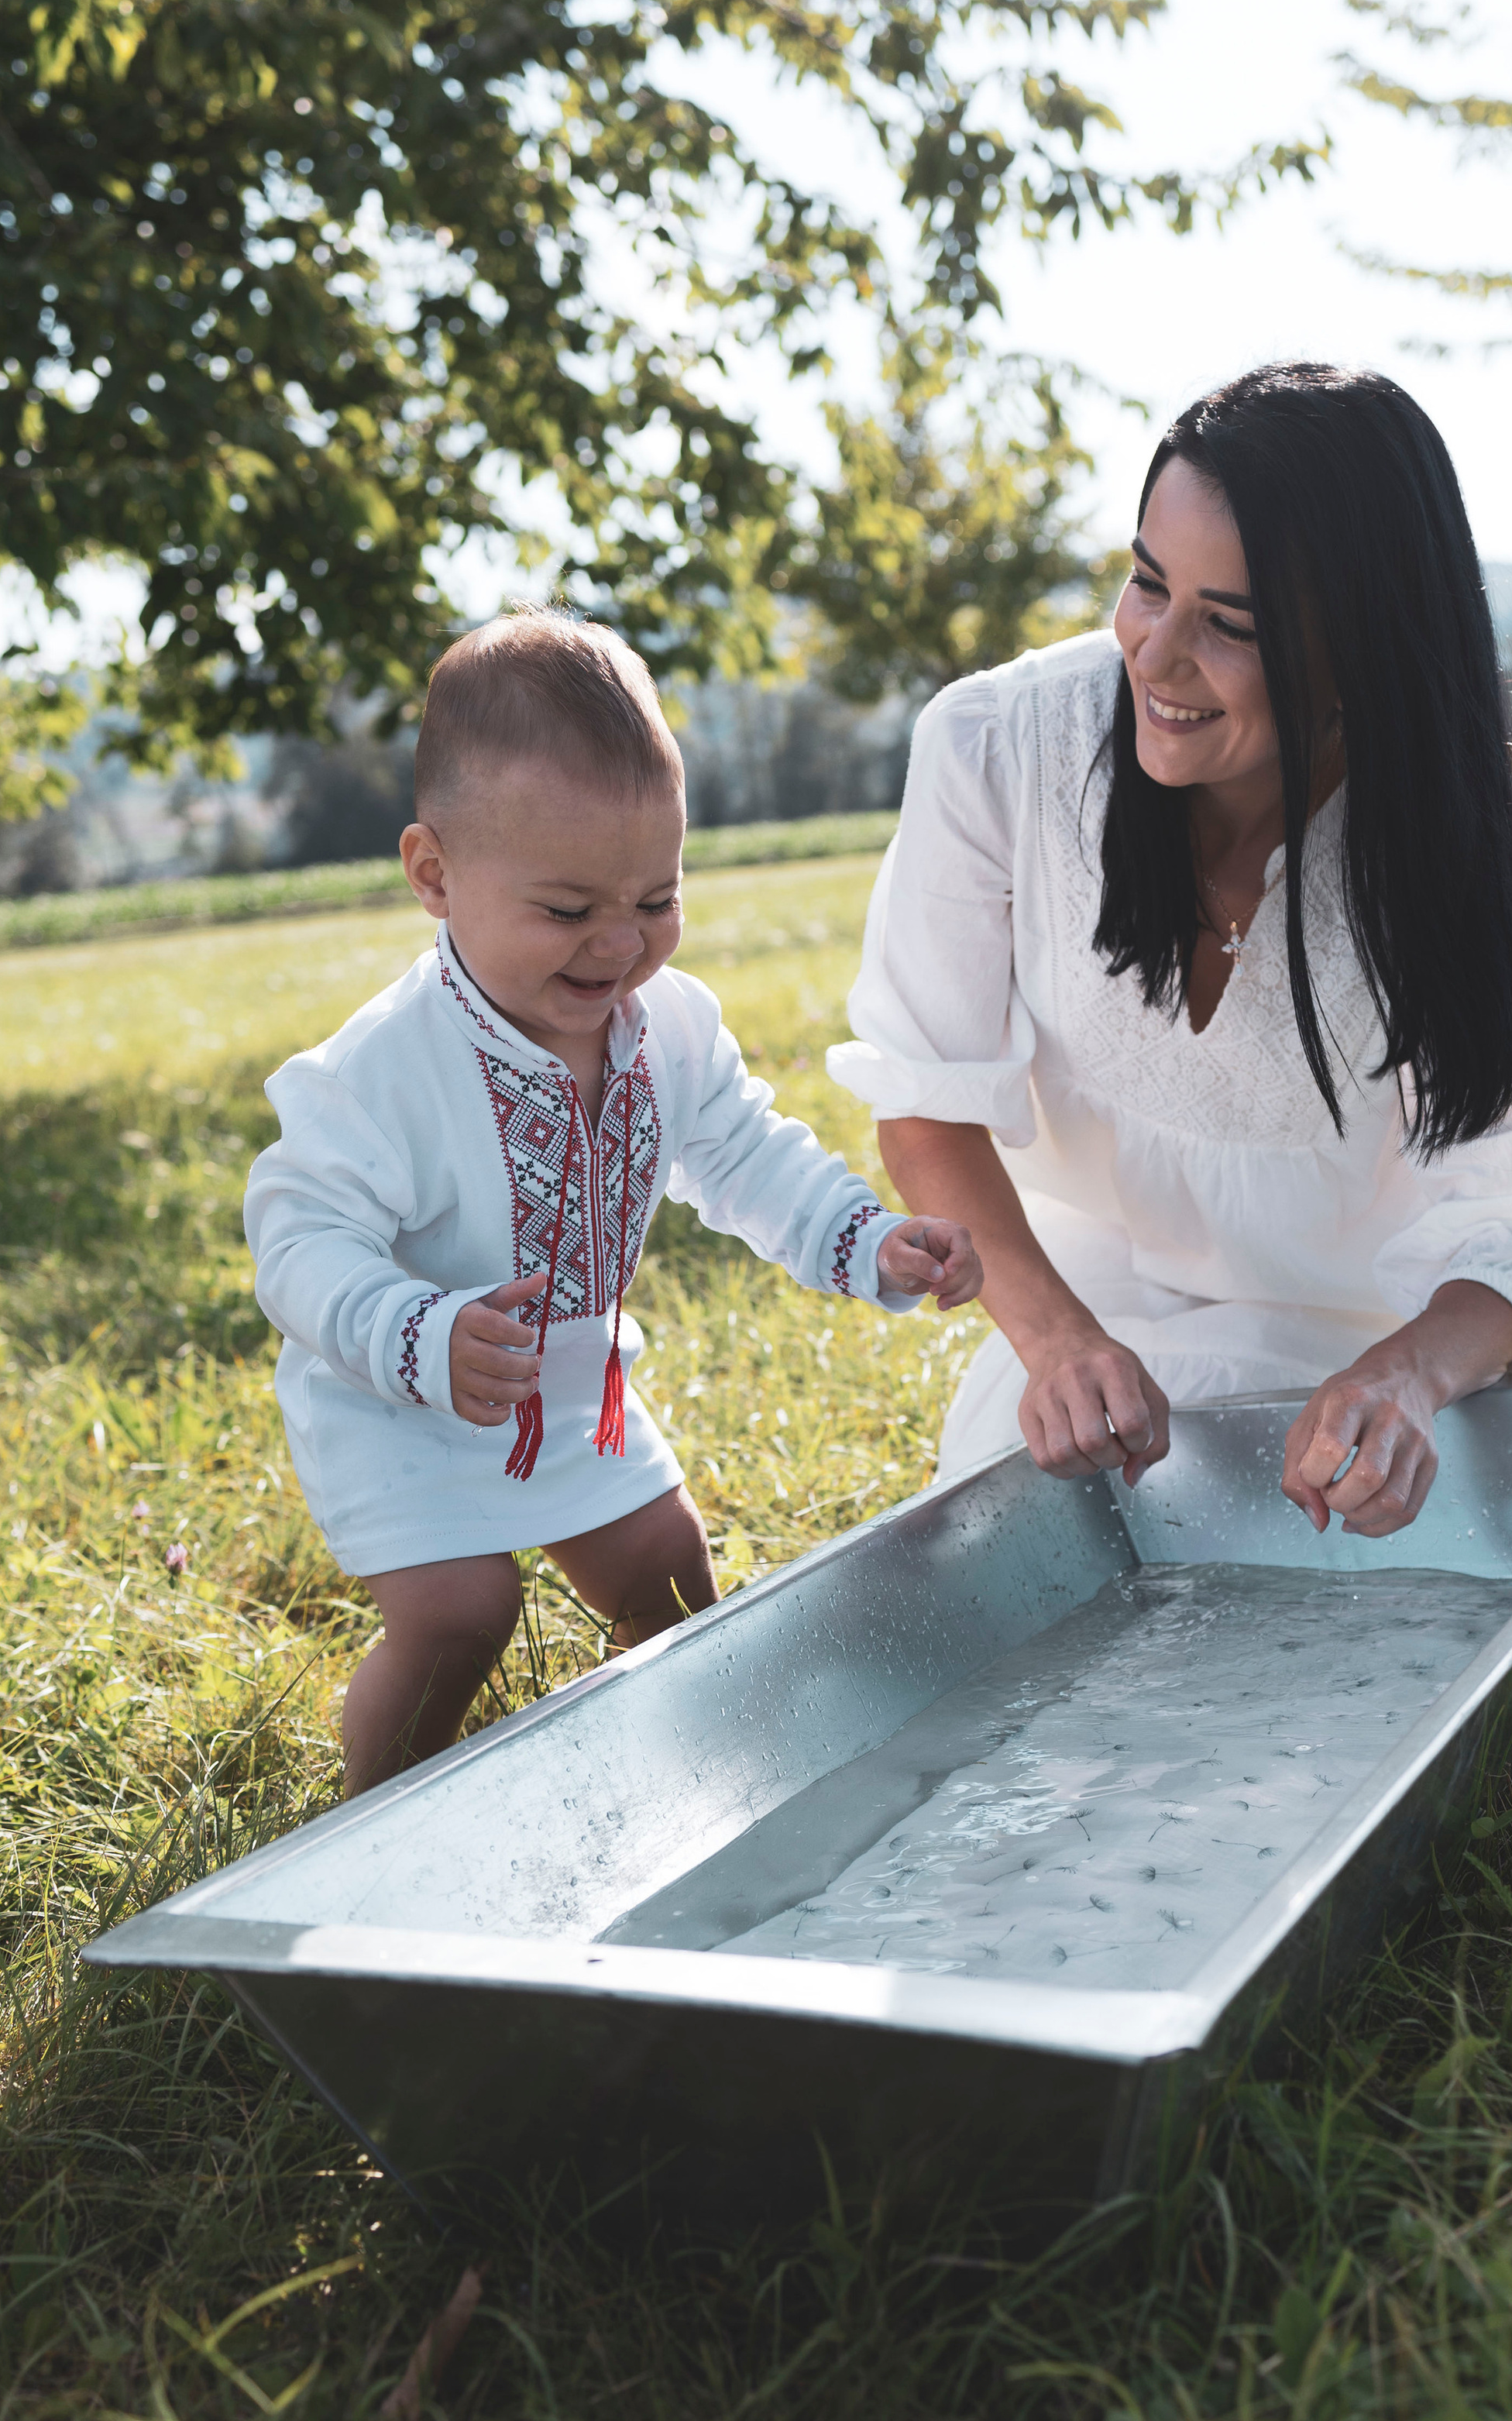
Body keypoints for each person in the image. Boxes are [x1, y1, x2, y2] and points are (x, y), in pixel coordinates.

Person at [830, 362, 1512, 1538]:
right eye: (1148, 583)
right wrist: (1057, 1345)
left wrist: (1404, 1377)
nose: (1153, 655)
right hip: (1111, 1330)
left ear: (1366, 653)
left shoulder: (1489, 864)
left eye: (1230, 627)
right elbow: (926, 1104)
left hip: (1374, 1360)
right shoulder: (996, 753)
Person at [246, 610, 981, 1796]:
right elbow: (297, 1242)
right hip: (398, 1397)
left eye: (656, 898)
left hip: (574, 1385)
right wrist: (417, 1335)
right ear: (434, 875)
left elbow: (746, 1155)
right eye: (567, 909)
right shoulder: (378, 1071)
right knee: (461, 1612)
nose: (618, 944)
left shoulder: (669, 1028)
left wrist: (867, 1241)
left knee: (669, 1571)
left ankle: (698, 1776)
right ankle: (378, 1807)